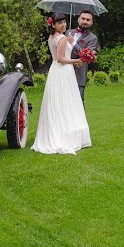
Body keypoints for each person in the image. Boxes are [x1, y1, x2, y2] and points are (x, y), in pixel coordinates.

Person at [31, 13, 92, 155]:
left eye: (64, 22)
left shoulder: (52, 37)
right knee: (66, 102)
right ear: (53, 25)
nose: (63, 25)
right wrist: (76, 61)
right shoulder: (63, 38)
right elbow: (60, 59)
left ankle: (57, 131)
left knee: (58, 102)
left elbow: (57, 58)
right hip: (64, 72)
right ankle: (65, 135)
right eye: (60, 23)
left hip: (55, 72)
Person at [67, 9, 100, 103]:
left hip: (79, 75)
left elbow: (87, 57)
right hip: (64, 72)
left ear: (92, 22)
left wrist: (73, 43)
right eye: (83, 19)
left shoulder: (92, 38)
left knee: (78, 104)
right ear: (78, 19)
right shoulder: (68, 32)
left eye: (88, 20)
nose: (85, 21)